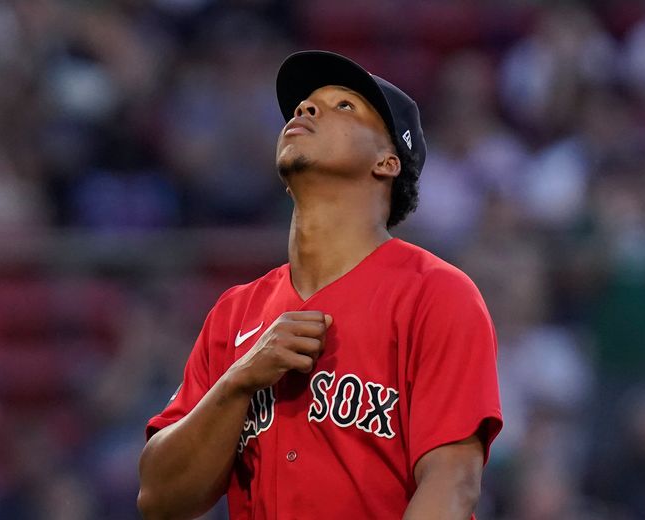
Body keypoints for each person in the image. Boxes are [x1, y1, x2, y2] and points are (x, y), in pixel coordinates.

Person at [137, 50, 503, 520]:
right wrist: (237, 382)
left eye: (343, 106)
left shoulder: (435, 294)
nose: (306, 109)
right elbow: (159, 498)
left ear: (387, 162)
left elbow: (452, 483)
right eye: (304, 104)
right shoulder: (235, 313)